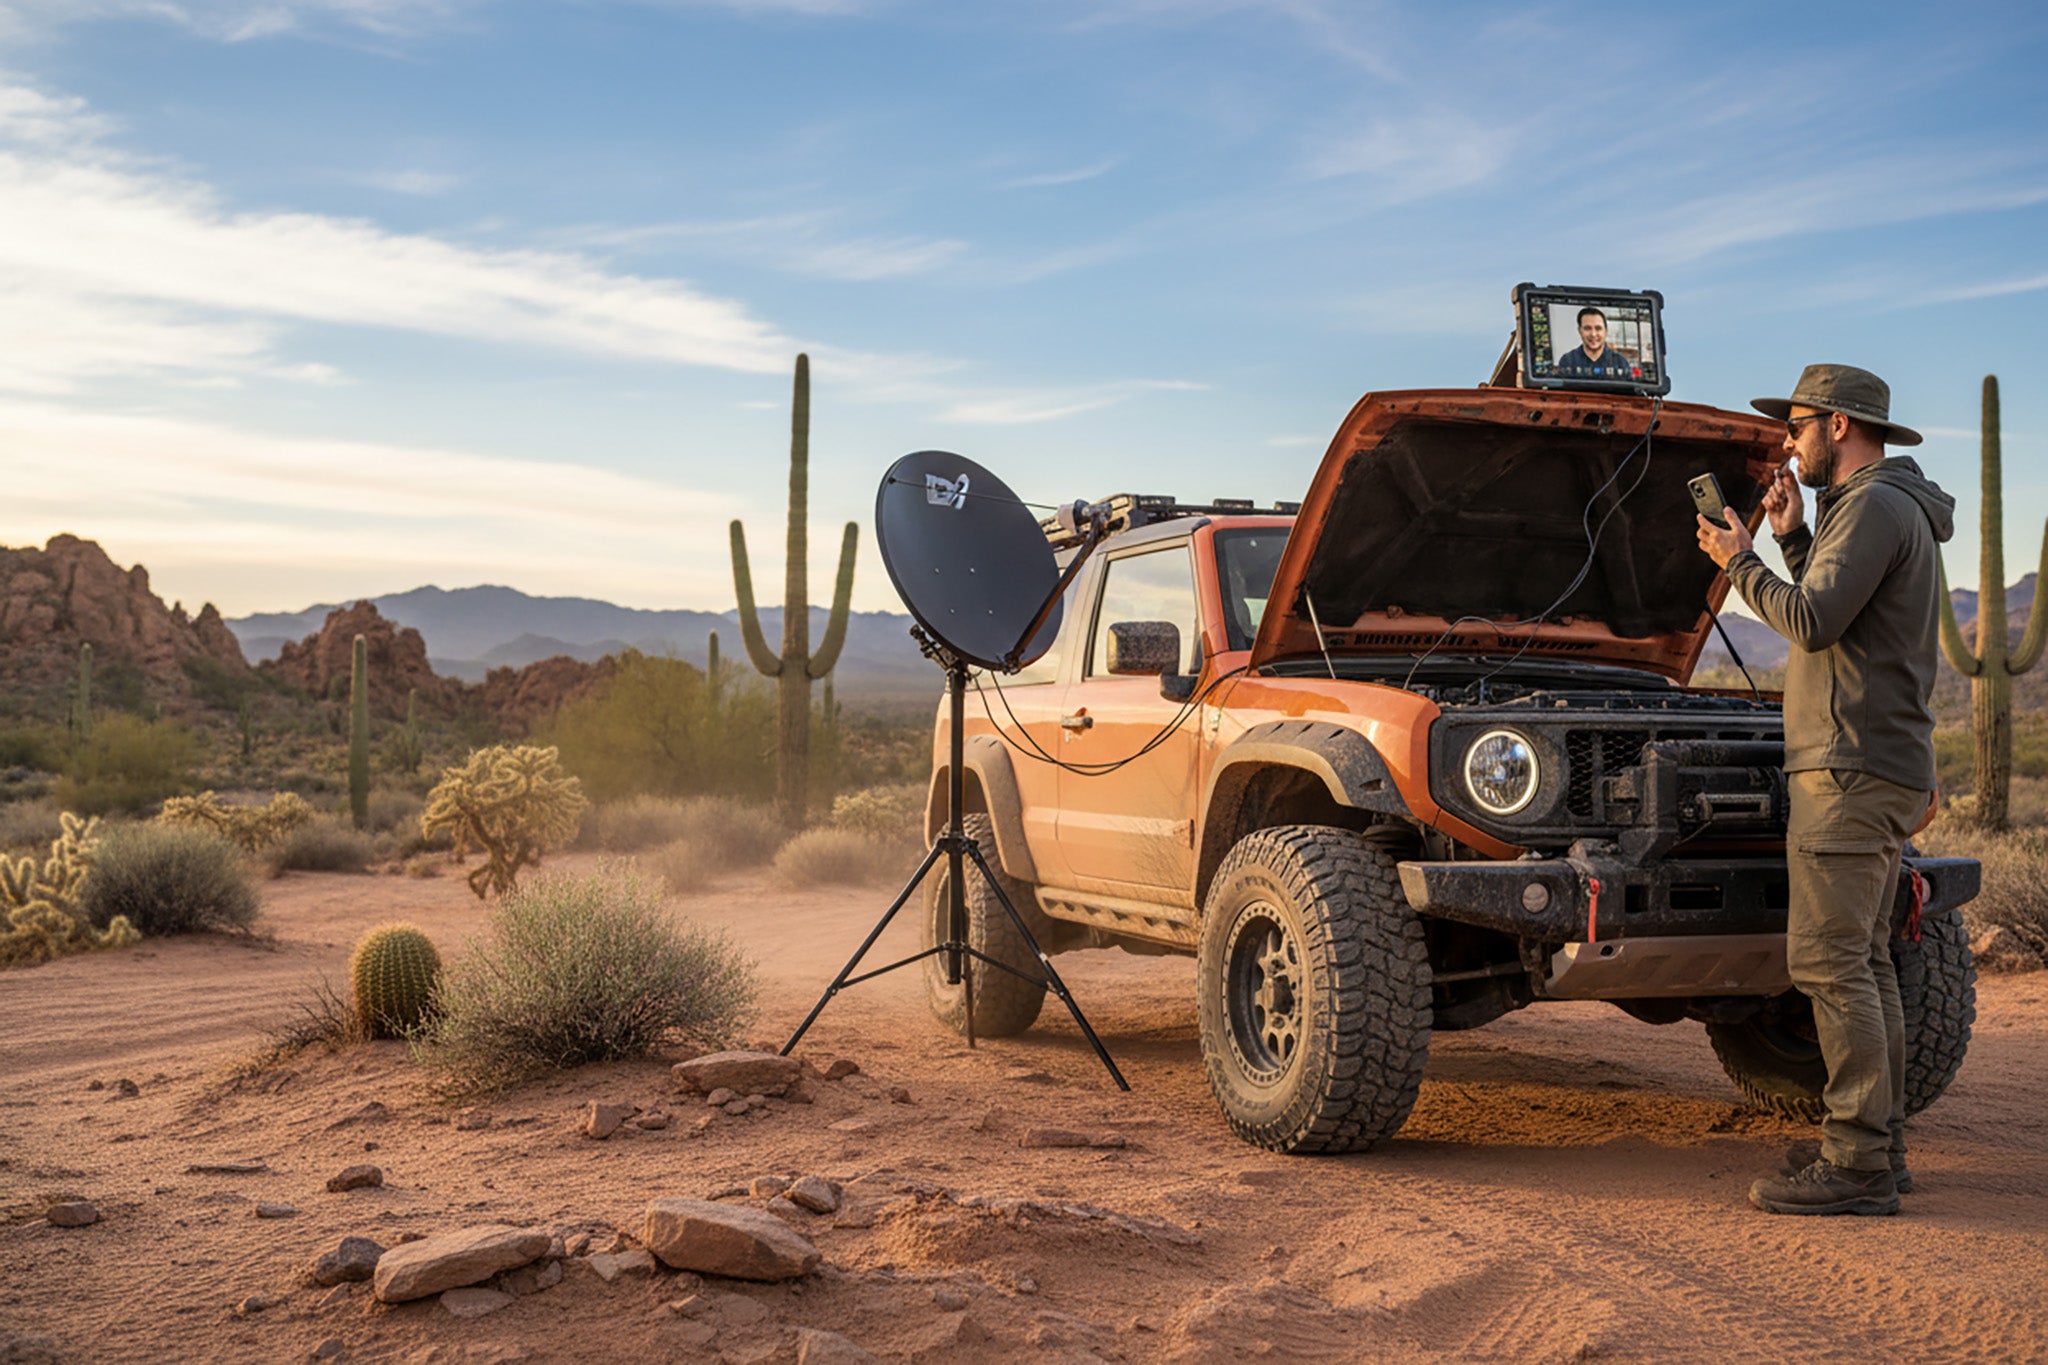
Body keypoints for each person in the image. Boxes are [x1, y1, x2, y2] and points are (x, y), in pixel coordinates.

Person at [1694, 363, 1954, 1217]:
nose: (1788, 441)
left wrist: (1741, 561)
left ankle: (1858, 1162)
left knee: (1831, 961)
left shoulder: (1876, 505)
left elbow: (1810, 622)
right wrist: (1793, 540)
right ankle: (1876, 1143)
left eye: (1797, 424)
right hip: (1875, 760)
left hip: (1847, 768)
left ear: (1839, 425)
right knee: (1865, 959)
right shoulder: (1884, 507)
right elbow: (1847, 623)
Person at [1552, 307, 1640, 380]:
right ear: (1580, 331)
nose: (1593, 334)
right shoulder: (1568, 360)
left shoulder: (1620, 362)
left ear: (1606, 331)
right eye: (1587, 328)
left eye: (1598, 328)